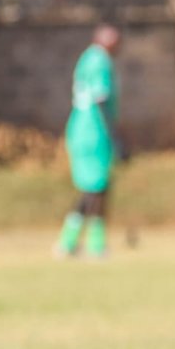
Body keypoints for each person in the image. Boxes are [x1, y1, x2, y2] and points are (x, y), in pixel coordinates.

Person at [56, 24, 124, 260]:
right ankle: (93, 245)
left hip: (81, 129)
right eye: (115, 41)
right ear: (104, 40)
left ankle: (70, 241)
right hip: (93, 131)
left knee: (93, 188)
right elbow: (101, 99)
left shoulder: (88, 58)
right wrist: (116, 137)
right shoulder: (99, 60)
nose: (119, 46)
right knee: (97, 188)